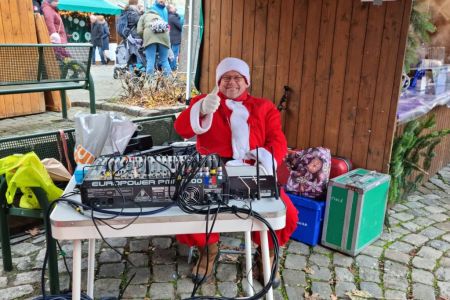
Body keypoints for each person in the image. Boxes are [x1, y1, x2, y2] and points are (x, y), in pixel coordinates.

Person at [174, 57, 299, 287]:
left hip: (254, 169)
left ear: (247, 82)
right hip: (212, 169)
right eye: (226, 78)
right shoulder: (206, 101)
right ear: (218, 82)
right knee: (192, 208)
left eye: (237, 77)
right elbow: (180, 128)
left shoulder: (264, 107)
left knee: (287, 213)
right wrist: (200, 109)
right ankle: (208, 252)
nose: (232, 82)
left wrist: (264, 158)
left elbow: (278, 140)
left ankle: (266, 255)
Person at [137, 9, 171, 76]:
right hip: (164, 37)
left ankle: (150, 82)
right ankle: (169, 80)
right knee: (164, 60)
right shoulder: (160, 17)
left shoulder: (143, 16)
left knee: (150, 60)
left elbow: (139, 31)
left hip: (150, 37)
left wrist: (144, 37)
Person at [168, 4, 182, 71]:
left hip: (170, 38)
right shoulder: (173, 17)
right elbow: (180, 26)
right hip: (175, 39)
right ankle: (173, 67)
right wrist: (178, 17)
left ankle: (171, 67)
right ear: (170, 9)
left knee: (171, 54)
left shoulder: (168, 16)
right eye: (173, 7)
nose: (175, 8)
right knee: (174, 54)